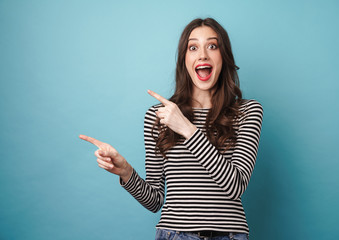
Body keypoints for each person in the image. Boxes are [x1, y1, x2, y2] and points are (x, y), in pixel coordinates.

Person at [80, 18, 263, 240]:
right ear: (184, 60)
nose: (203, 54)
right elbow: (154, 201)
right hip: (174, 234)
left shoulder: (247, 111)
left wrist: (188, 129)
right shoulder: (159, 116)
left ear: (223, 56)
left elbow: (235, 186)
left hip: (230, 235)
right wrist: (126, 172)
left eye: (212, 46)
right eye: (193, 47)